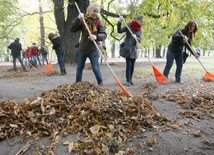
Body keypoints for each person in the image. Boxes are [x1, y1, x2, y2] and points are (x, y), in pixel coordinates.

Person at [70, 3, 107, 85]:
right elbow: (72, 29)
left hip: (93, 49)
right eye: (94, 11)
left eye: (97, 12)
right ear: (89, 11)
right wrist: (77, 19)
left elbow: (104, 35)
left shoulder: (98, 22)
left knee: (95, 68)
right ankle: (78, 83)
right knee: (79, 68)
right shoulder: (83, 21)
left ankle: (101, 84)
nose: (96, 13)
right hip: (82, 49)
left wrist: (96, 36)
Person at [117, 14, 144, 86]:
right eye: (141, 21)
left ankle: (131, 79)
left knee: (132, 65)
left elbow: (140, 40)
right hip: (128, 48)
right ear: (137, 20)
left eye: (142, 21)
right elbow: (119, 31)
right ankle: (128, 80)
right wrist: (119, 22)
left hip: (134, 48)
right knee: (128, 65)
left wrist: (136, 38)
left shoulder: (140, 29)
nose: (142, 23)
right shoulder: (129, 25)